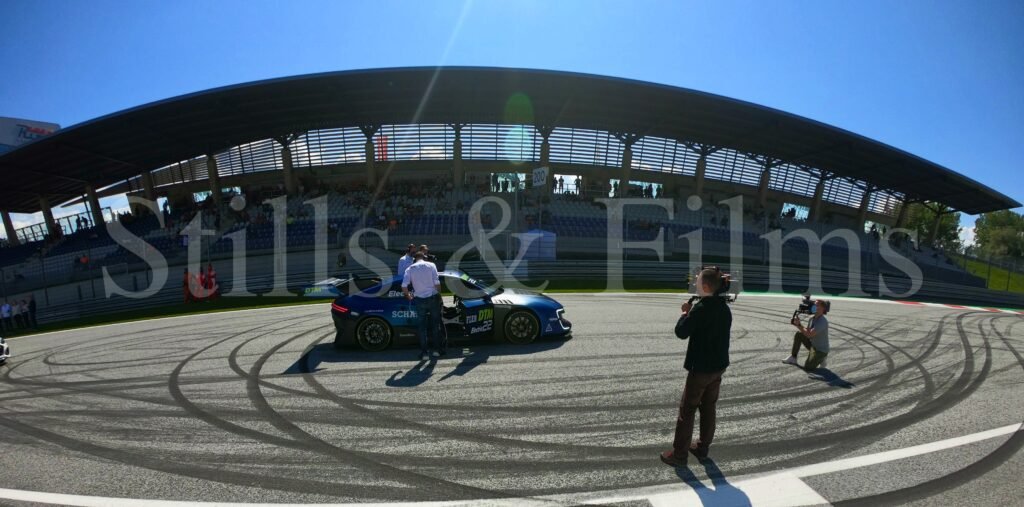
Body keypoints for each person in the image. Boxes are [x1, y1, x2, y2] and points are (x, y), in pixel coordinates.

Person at [661, 269, 733, 468]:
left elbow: (681, 332)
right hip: (718, 366)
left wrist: (685, 313)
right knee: (709, 407)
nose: (695, 283)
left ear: (706, 287)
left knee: (687, 410)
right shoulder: (724, 307)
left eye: (698, 281)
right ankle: (702, 447)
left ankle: (679, 455)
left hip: (700, 368)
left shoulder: (701, 309)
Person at [402, 252, 443, 361]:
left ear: (414, 259)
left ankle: (424, 353)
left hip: (419, 299)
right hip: (432, 298)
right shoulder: (431, 265)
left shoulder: (410, 269)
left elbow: (404, 286)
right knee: (435, 325)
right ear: (424, 257)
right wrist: (439, 295)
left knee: (422, 328)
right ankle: (436, 351)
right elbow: (437, 283)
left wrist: (408, 296)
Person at [783, 299, 831, 370]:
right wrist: (797, 324)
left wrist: (799, 325)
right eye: (814, 304)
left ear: (823, 308)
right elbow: (807, 332)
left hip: (821, 350)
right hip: (813, 345)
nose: (814, 306)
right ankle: (793, 357)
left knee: (808, 367)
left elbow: (809, 335)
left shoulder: (822, 321)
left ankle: (822, 359)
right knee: (799, 334)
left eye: (817, 305)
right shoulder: (811, 318)